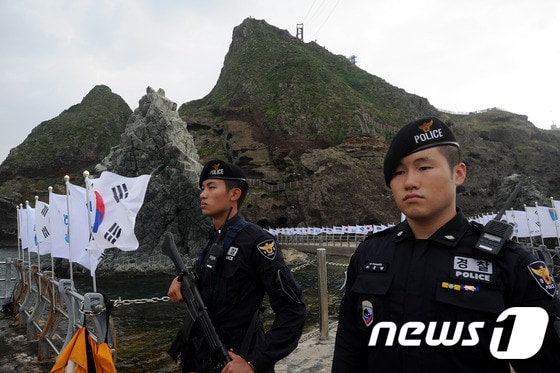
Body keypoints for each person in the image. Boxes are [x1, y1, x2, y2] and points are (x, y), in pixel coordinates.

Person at [332, 117, 560, 372]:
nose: (409, 182)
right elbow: (349, 350)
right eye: (398, 172)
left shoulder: (509, 263)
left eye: (423, 168)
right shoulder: (369, 253)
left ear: (458, 173)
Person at [168, 159, 306, 373]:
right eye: (203, 188)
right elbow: (209, 278)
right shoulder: (215, 238)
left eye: (211, 187)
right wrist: (182, 280)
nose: (203, 194)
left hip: (238, 358)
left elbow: (293, 309)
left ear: (234, 194)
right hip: (203, 358)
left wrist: (254, 363)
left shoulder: (257, 242)